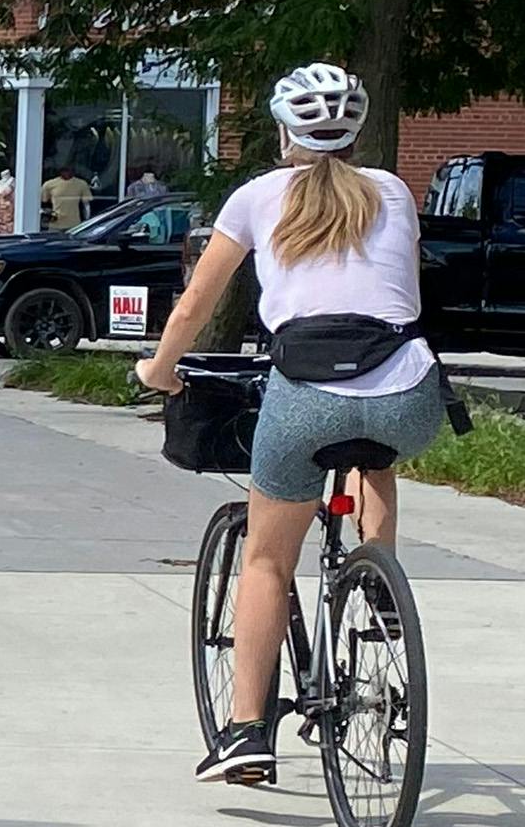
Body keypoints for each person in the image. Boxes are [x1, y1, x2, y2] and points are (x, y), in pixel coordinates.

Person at [134, 63, 452, 786]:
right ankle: (379, 584)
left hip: (306, 388)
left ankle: (247, 730)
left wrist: (159, 370)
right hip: (408, 389)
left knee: (269, 559)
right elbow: (397, 296)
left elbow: (195, 308)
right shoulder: (394, 191)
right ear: (357, 132)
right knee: (375, 455)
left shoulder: (255, 197)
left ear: (284, 131)